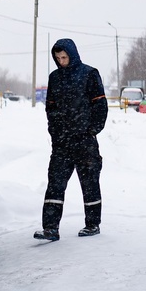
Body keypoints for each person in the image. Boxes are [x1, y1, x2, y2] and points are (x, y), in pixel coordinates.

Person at [34, 39, 108, 241]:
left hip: (85, 141)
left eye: (64, 57)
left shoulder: (89, 74)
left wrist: (92, 130)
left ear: (72, 54)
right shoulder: (55, 78)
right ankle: (50, 229)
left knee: (89, 183)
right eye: (58, 58)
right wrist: (55, 132)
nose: (61, 61)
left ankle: (92, 224)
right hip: (62, 143)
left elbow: (100, 105)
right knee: (55, 183)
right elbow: (50, 109)